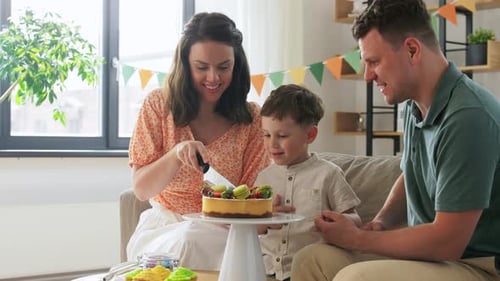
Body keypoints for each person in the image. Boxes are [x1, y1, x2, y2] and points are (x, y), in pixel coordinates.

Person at [291, 0, 500, 280]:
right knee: (312, 259)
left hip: (475, 264)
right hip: (431, 259)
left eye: (374, 62)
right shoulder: (417, 106)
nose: (367, 75)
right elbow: (410, 172)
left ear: (412, 50)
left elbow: (447, 242)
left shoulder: (468, 116)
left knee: (355, 278)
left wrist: (357, 239)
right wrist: (379, 223)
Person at [126, 12, 270, 271]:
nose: (213, 78)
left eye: (223, 67)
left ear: (236, 65)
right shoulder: (158, 105)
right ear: (185, 64)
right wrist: (176, 154)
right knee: (188, 238)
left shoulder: (252, 119)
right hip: (165, 230)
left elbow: (251, 200)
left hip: (226, 232)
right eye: (202, 67)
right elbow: (141, 189)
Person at [254, 84, 362, 281]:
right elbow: (252, 230)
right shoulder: (263, 178)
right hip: (265, 269)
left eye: (282, 136)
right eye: (267, 135)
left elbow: (355, 219)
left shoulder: (328, 174)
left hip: (306, 270)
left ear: (310, 135)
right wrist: (263, 218)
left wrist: (335, 221)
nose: (272, 144)